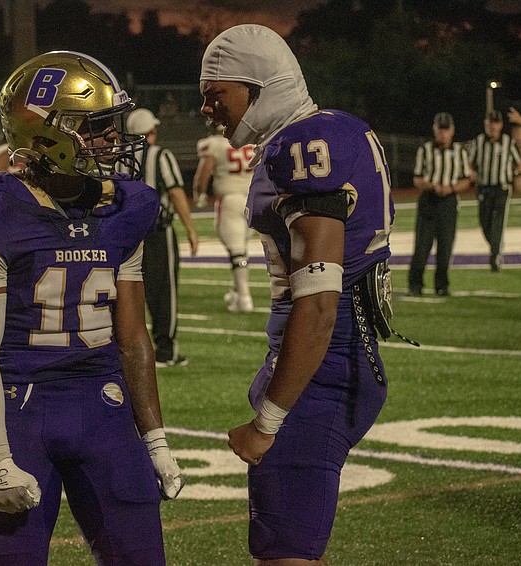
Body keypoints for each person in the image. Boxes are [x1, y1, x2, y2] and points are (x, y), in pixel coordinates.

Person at [0, 50, 183, 565]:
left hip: (105, 407)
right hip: (20, 410)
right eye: (95, 128)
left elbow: (133, 337)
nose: (112, 141)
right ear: (45, 135)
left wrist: (156, 438)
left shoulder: (126, 206)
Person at [201, 24, 405, 563]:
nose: (207, 109)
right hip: (333, 359)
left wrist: (268, 421)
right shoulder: (333, 128)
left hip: (321, 366)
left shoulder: (304, 147)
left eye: (215, 94)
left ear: (259, 85)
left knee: (285, 551)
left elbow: (316, 304)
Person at [126, 107, 199, 367]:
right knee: (163, 291)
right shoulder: (160, 156)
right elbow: (177, 193)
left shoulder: (119, 158)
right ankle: (165, 351)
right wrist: (190, 228)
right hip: (157, 233)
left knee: (128, 292)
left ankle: (126, 349)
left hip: (126, 235)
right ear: (152, 132)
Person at [192, 122, 256, 313]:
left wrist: (199, 195)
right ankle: (236, 291)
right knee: (241, 250)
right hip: (251, 200)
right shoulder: (251, 144)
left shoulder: (215, 144)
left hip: (230, 200)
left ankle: (244, 298)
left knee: (237, 252)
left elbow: (203, 174)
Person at [408, 112, 472, 296]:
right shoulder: (425, 150)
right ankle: (415, 284)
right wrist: (432, 185)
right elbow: (417, 179)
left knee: (445, 247)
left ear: (452, 131)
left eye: (446, 130)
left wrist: (451, 188)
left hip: (448, 203)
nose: (443, 134)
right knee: (421, 246)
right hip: (429, 201)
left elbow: (467, 180)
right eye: (440, 129)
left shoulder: (460, 152)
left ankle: (442, 285)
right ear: (435, 130)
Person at [469, 109, 521, 272]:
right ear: (485, 124)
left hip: (502, 188)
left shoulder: (508, 142)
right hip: (484, 188)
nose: (492, 126)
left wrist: (517, 175)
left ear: (500, 125)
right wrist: (471, 174)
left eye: (495, 123)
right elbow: (470, 163)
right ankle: (496, 247)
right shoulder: (478, 142)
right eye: (489, 123)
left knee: (497, 224)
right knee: (484, 223)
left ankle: (495, 256)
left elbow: (519, 163)